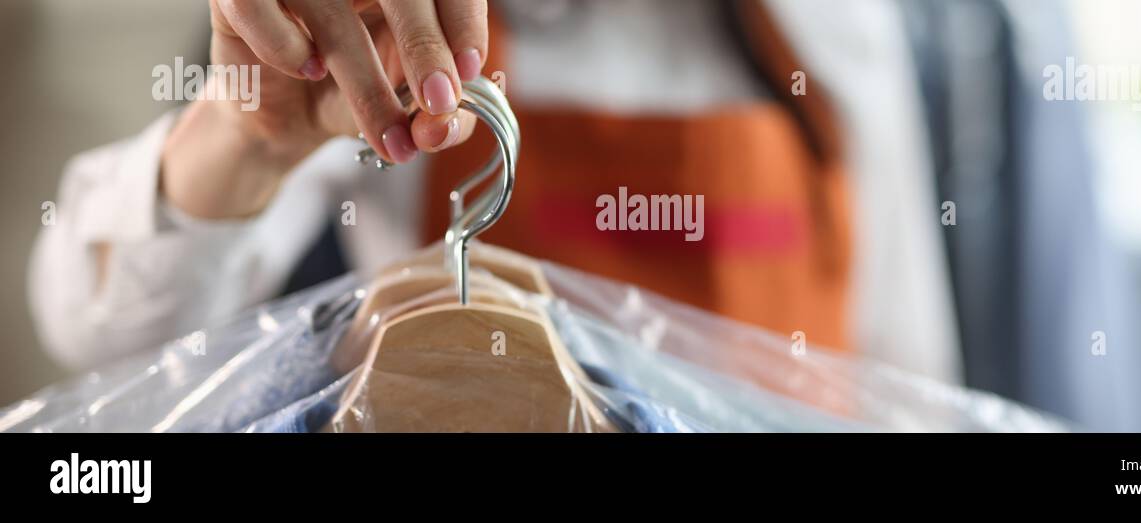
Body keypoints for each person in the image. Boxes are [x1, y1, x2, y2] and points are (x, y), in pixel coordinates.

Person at [29, 0, 968, 390]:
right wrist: (244, 134)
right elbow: (96, 334)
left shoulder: (836, 27)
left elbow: (900, 381)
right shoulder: (368, 25)